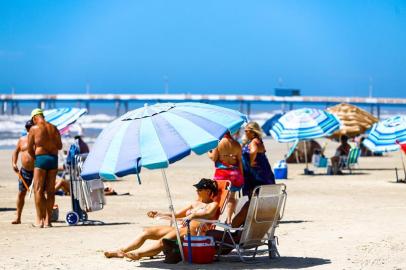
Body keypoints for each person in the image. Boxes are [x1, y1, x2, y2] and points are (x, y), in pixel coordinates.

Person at [104, 178, 219, 261]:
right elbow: (177, 214)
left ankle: (139, 254)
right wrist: (159, 213)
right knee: (147, 232)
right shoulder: (195, 203)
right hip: (181, 228)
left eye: (199, 189)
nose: (197, 191)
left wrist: (192, 216)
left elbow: (209, 214)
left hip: (193, 232)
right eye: (197, 189)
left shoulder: (213, 205)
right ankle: (121, 250)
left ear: (208, 191)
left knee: (164, 240)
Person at [27, 108, 62, 228]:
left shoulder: (34, 129)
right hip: (53, 159)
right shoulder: (54, 127)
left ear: (34, 118)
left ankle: (40, 220)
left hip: (41, 159)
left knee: (38, 189)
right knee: (51, 191)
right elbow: (60, 146)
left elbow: (29, 149)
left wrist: (36, 157)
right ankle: (48, 221)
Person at [208, 131, 244, 224]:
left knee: (218, 197)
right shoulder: (236, 144)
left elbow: (214, 158)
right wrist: (242, 175)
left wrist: (208, 152)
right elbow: (239, 161)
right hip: (235, 173)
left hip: (222, 174)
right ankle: (229, 219)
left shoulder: (218, 143)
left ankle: (213, 218)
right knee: (231, 197)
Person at [242, 122, 275, 197]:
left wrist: (251, 161)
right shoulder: (258, 140)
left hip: (255, 174)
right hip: (263, 172)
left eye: (246, 131)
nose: (245, 133)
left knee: (253, 196)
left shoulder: (254, 141)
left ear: (252, 131)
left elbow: (254, 151)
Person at [11, 120, 35, 224]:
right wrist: (14, 163)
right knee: (21, 193)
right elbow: (15, 152)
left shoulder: (38, 139)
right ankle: (18, 217)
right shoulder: (22, 140)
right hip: (25, 171)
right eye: (28, 127)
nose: (29, 129)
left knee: (41, 193)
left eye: (31, 127)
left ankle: (44, 217)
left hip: (37, 170)